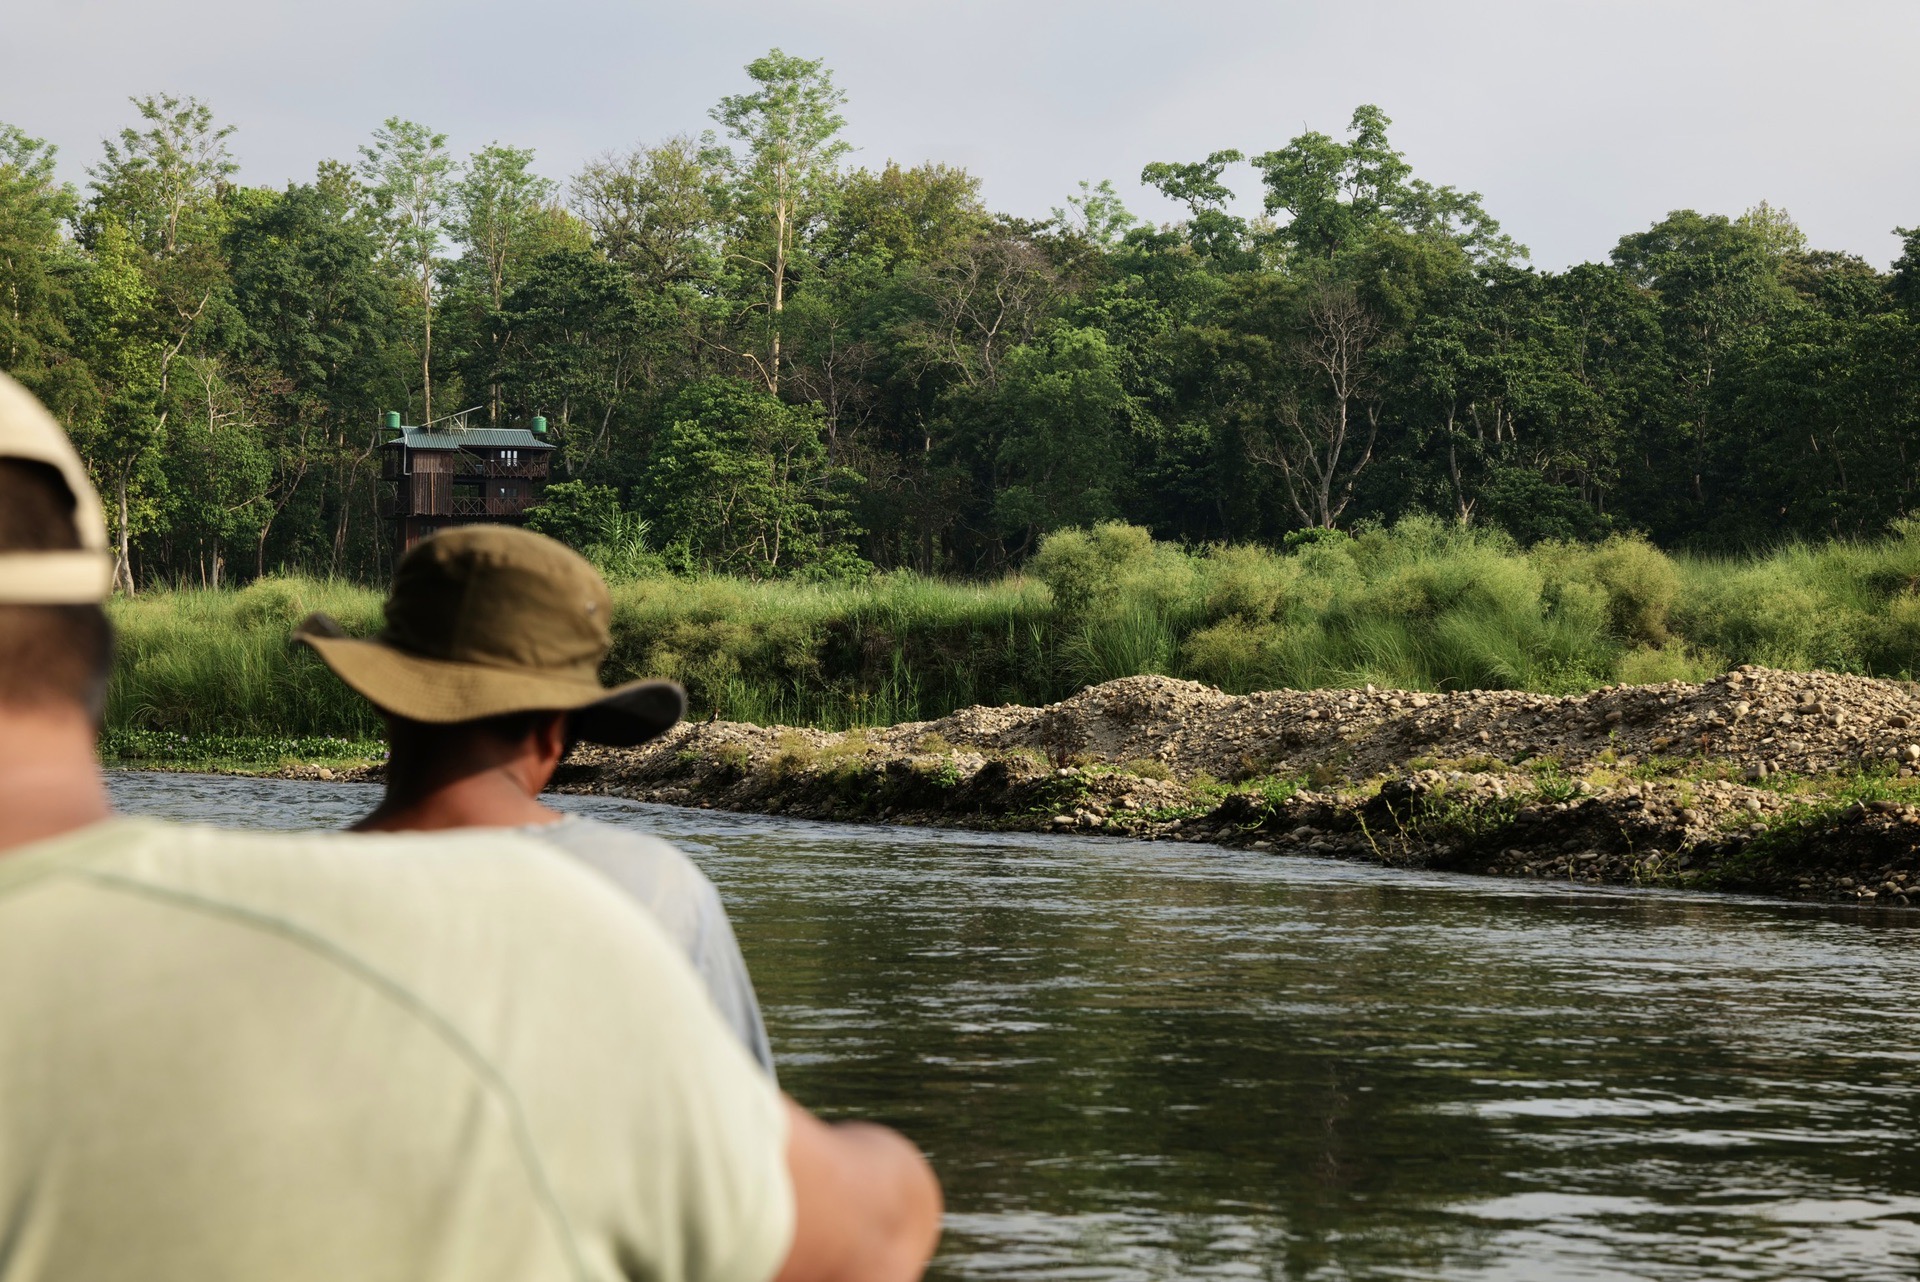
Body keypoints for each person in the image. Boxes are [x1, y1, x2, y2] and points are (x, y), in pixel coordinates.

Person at [0, 371, 941, 1282]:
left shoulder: (259, 905)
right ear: (556, 728)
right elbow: (853, 1227)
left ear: (389, 702)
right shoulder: (609, 903)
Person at [292, 525, 776, 1074]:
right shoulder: (656, 890)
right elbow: (746, 1136)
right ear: (557, 732)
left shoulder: (281, 895)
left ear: (385, 699)